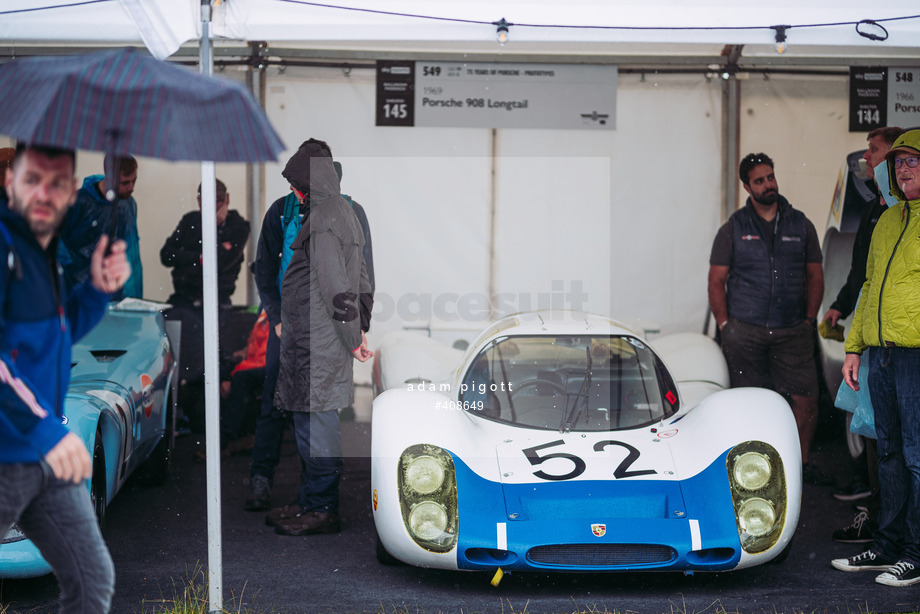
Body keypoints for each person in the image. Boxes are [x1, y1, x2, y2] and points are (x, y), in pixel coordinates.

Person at [0, 143, 131, 612]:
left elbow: (53, 338)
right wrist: (43, 432)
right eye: (33, 179)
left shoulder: (41, 251)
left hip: (39, 454)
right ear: (11, 182)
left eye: (57, 183)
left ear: (72, 192)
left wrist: (97, 290)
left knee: (91, 581)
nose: (44, 192)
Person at [245, 139, 374, 511]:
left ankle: (318, 502)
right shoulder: (285, 213)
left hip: (323, 334)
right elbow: (265, 270)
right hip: (291, 328)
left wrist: (355, 331)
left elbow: (348, 281)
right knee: (284, 404)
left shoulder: (338, 216)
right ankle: (269, 481)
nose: (293, 190)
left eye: (297, 183)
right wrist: (277, 318)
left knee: (316, 413)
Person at [831, 129, 920, 587]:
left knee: (914, 456)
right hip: (882, 354)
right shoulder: (888, 219)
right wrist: (854, 347)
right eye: (898, 162)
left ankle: (915, 552)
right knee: (888, 453)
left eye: (913, 162)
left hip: (915, 354)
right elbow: (868, 287)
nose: (903, 169)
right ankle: (888, 546)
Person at [708, 152, 825, 476]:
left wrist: (808, 319)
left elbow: (815, 275)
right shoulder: (733, 227)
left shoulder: (800, 224)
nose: (768, 184)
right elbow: (716, 280)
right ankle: (753, 471)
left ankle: (799, 466)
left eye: (770, 177)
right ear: (747, 187)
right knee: (748, 402)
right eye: (759, 180)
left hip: (793, 329)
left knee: (807, 400)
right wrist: (725, 325)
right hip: (745, 331)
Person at [823, 127, 903, 543]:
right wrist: (844, 312)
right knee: (875, 433)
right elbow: (867, 278)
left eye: (874, 151)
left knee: (895, 438)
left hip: (900, 344)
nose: (867, 158)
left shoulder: (902, 213)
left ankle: (893, 526)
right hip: (873, 339)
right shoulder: (878, 210)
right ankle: (880, 519)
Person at [160, 179, 250, 433]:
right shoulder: (190, 220)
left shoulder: (238, 226)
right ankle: (181, 417)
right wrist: (201, 256)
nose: (209, 209)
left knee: (213, 362)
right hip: (185, 301)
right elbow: (166, 255)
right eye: (204, 202)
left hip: (216, 303)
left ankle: (214, 426)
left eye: (216, 203)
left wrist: (189, 259)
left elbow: (222, 263)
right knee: (177, 359)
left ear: (226, 200)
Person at [58, 153, 143, 299]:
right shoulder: (78, 203)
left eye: (134, 181)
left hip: (116, 292)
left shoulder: (129, 204)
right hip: (80, 290)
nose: (131, 188)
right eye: (125, 183)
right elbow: (57, 244)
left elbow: (132, 252)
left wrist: (134, 297)